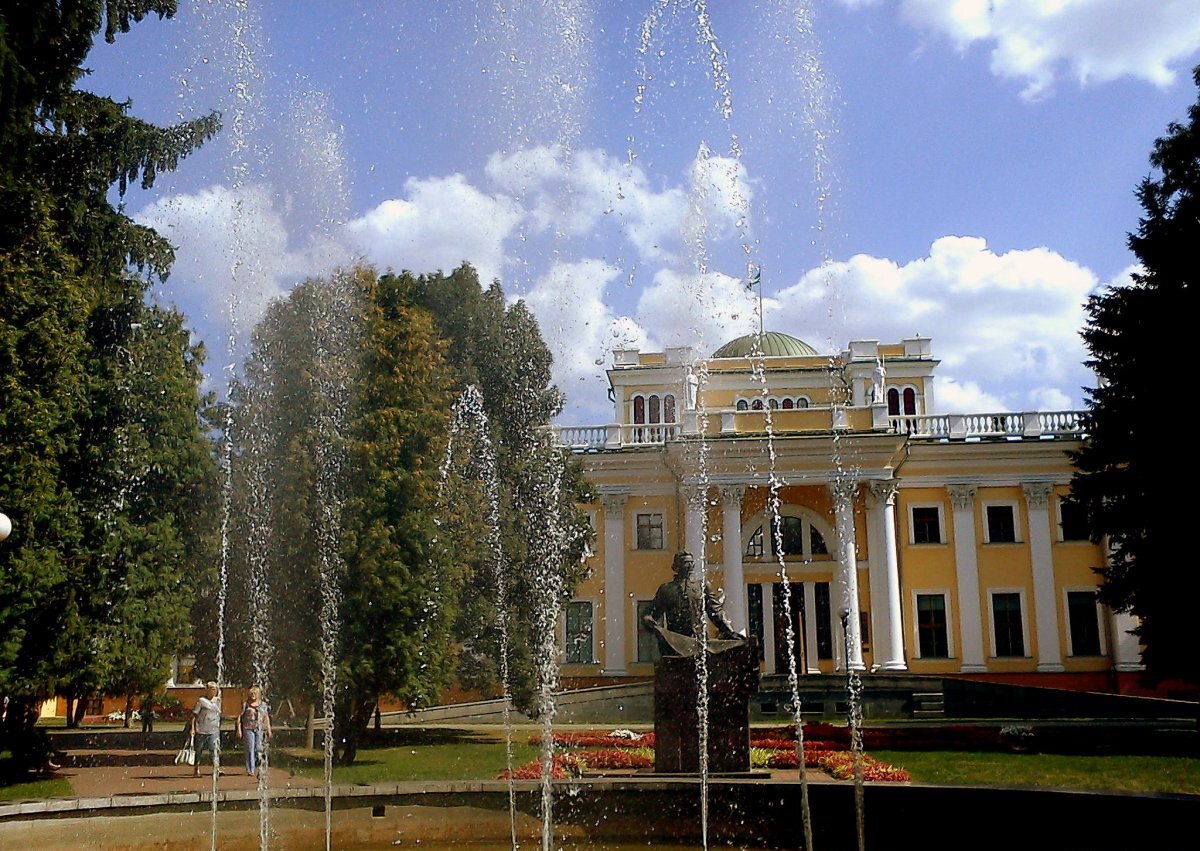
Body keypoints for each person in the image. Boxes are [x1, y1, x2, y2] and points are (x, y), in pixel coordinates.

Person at [641, 550, 743, 657]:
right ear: (676, 566)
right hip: (675, 643)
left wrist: (729, 632)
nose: (688, 565)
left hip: (699, 641)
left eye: (690, 562)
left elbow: (715, 611)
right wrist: (648, 620)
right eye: (684, 562)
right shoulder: (666, 589)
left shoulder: (702, 586)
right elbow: (651, 613)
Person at [186, 681, 221, 777]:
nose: (213, 691)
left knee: (214, 749)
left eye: (214, 689)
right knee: (199, 750)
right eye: (211, 689)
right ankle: (196, 768)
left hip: (213, 730)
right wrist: (192, 728)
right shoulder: (201, 701)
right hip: (201, 729)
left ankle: (216, 768)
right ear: (207, 690)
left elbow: (218, 714)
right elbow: (194, 715)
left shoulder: (218, 701)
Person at [239, 686, 272, 776]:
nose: (253, 695)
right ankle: (250, 769)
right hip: (248, 728)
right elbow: (239, 717)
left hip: (259, 729)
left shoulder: (263, 705)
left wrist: (268, 729)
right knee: (250, 749)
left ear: (258, 694)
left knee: (258, 748)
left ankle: (260, 766)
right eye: (251, 693)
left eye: (255, 693)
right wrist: (239, 729)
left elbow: (266, 717)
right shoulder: (246, 704)